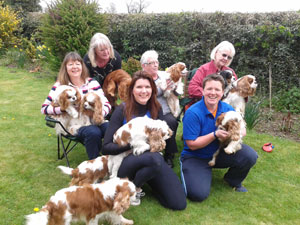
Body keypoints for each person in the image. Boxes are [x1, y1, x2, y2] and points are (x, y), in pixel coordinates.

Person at [102, 71, 186, 210]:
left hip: (150, 160)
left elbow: (158, 138)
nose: (144, 91)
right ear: (132, 90)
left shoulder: (156, 108)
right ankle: (133, 188)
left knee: (178, 203)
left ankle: (145, 179)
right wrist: (133, 144)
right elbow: (106, 147)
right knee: (155, 159)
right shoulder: (121, 110)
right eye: (139, 87)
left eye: (147, 87)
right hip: (125, 162)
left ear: (153, 89)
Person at [180, 73, 258, 202]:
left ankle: (232, 180)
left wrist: (238, 132)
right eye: (209, 89)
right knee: (198, 194)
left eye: (217, 89)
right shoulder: (193, 113)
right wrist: (215, 134)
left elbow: (242, 127)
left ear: (222, 92)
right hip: (196, 156)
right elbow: (192, 144)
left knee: (249, 155)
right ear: (203, 91)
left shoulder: (227, 108)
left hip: (219, 152)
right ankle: (198, 172)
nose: (213, 93)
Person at [41, 52, 111, 160]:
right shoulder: (59, 85)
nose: (75, 67)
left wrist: (98, 113)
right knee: (93, 132)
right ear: (65, 67)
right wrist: (65, 109)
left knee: (110, 128)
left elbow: (106, 104)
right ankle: (96, 166)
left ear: (82, 66)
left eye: (78, 64)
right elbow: (44, 108)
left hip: (95, 119)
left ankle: (113, 159)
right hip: (73, 125)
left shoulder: (92, 83)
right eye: (70, 64)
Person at [140, 50, 179, 168]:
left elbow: (175, 91)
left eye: (156, 62)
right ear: (144, 66)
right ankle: (152, 149)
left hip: (166, 109)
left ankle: (169, 154)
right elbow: (145, 96)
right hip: (148, 110)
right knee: (156, 123)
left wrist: (174, 87)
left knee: (171, 122)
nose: (156, 65)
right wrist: (162, 89)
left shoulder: (164, 75)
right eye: (152, 63)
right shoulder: (141, 78)